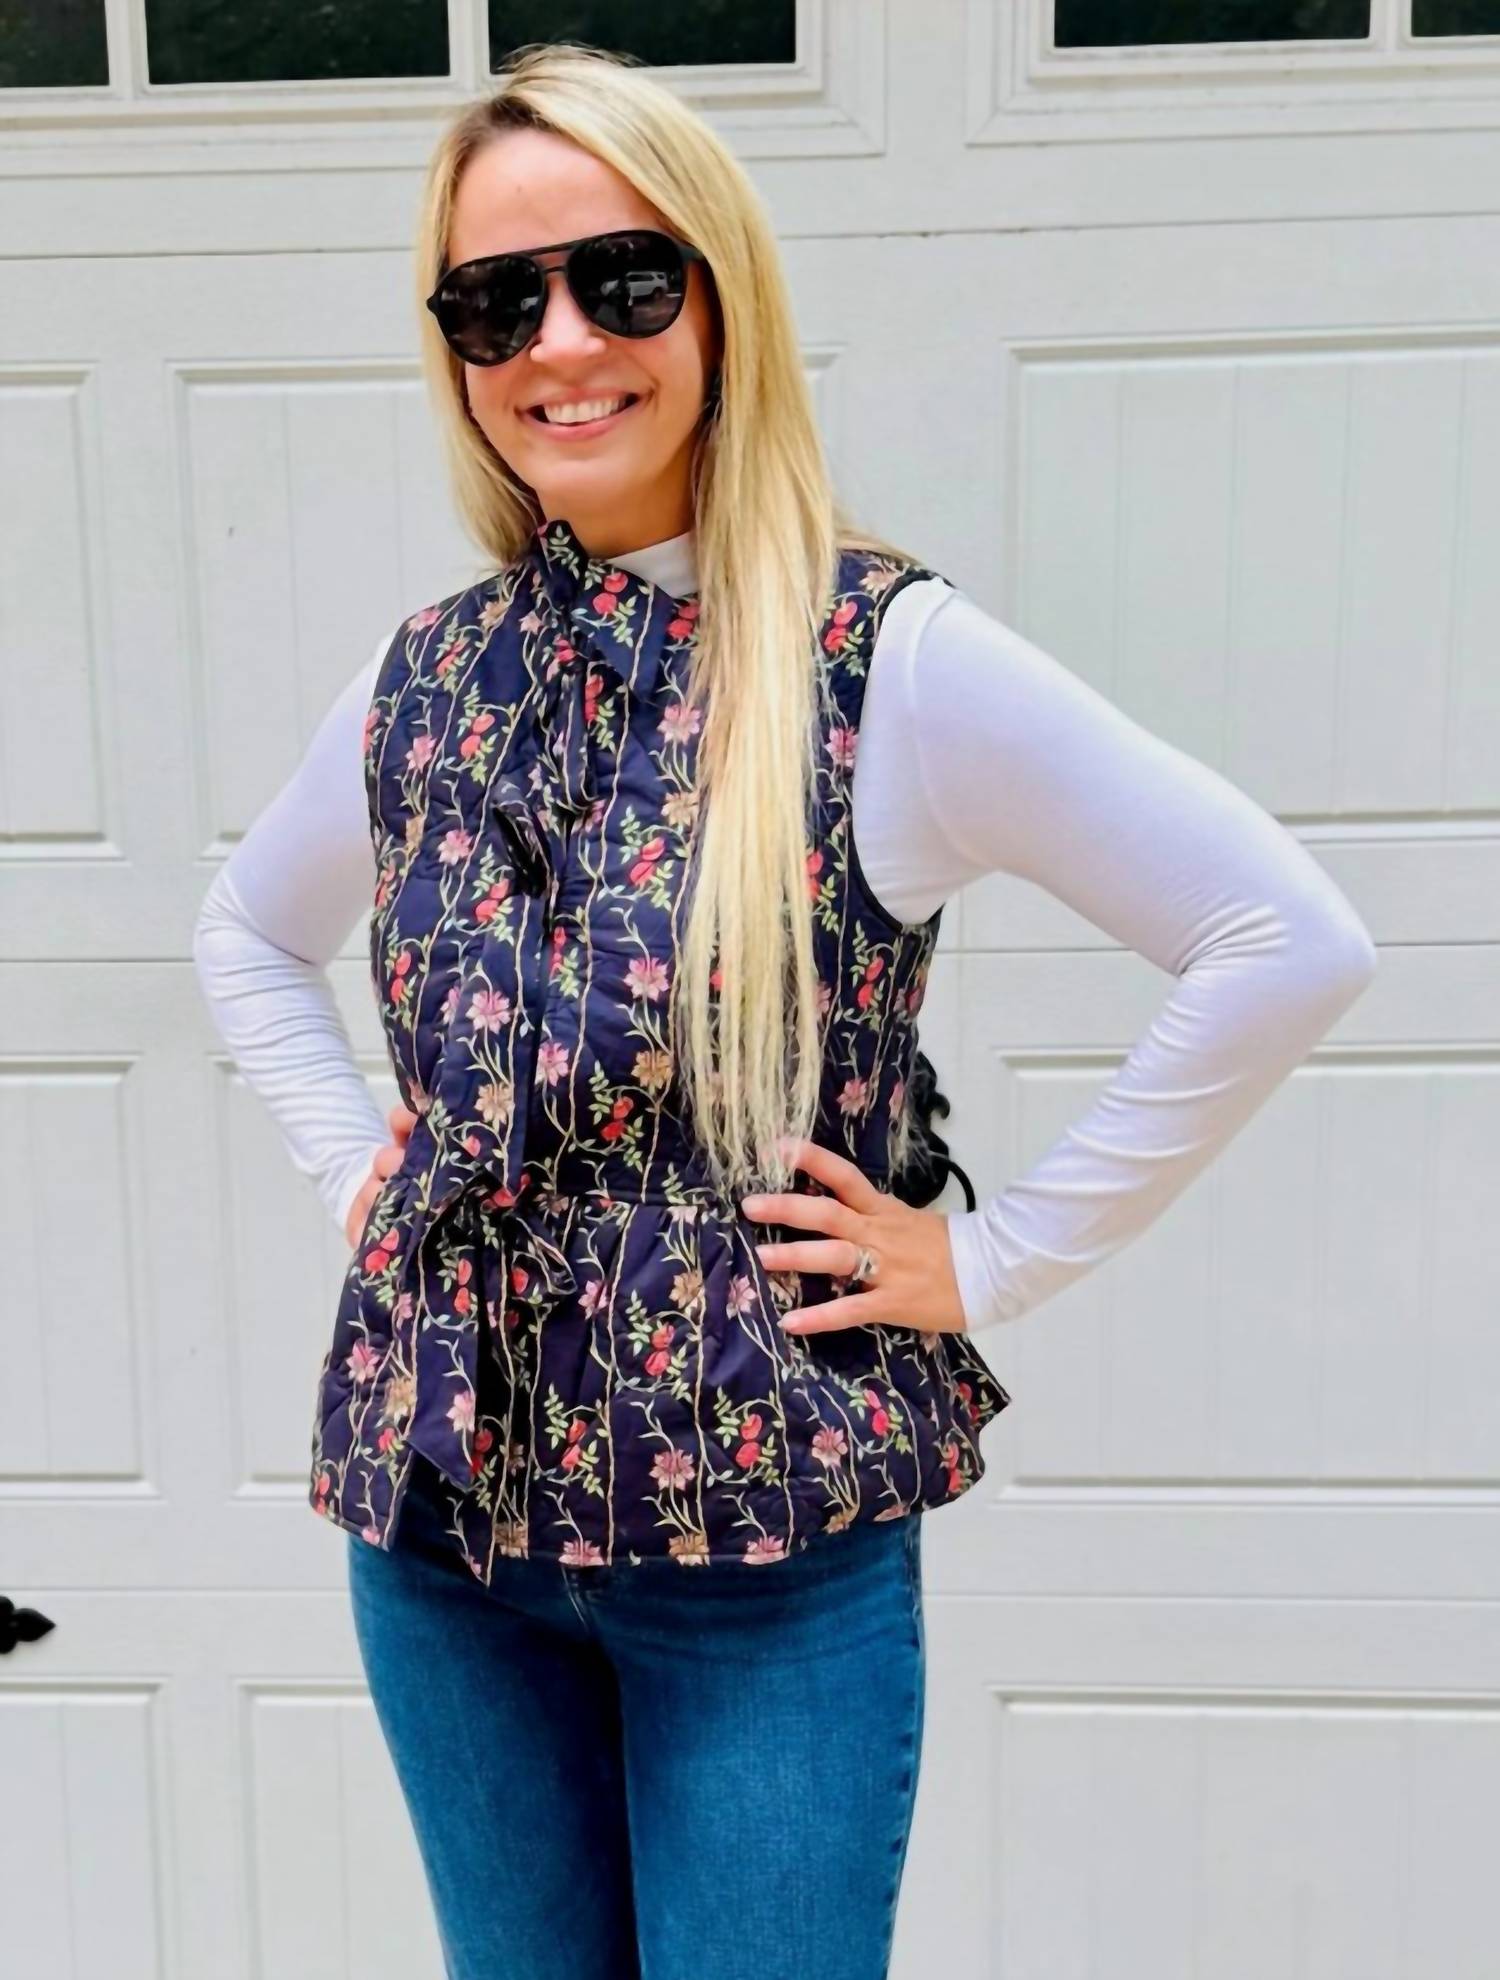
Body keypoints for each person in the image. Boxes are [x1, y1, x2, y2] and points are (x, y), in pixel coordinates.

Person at [191, 42, 1378, 1980]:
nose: (561, 343)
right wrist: (355, 1173)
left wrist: (989, 1260)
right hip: (444, 1550)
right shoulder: (429, 681)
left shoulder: (879, 661)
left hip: (762, 1577)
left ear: (720, 294)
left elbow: (1282, 936)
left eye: (619, 278)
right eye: (495, 303)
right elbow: (246, 932)